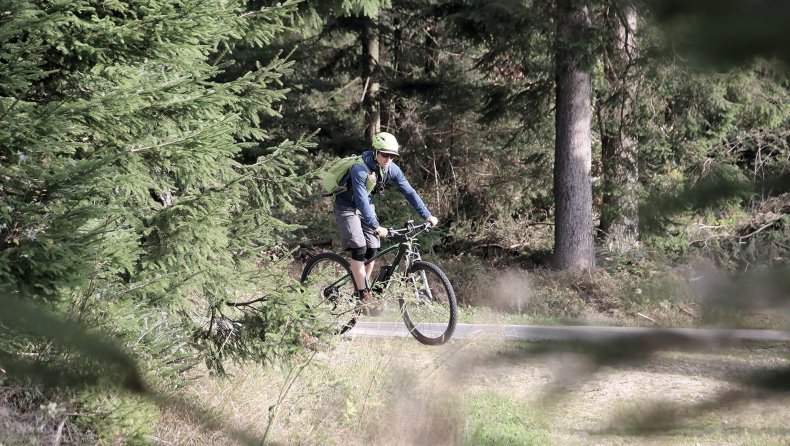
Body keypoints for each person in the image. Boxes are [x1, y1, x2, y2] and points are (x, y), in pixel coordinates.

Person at [332, 131, 439, 314]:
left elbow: (410, 192)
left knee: (372, 249)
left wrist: (427, 215)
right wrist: (375, 226)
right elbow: (361, 201)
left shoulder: (391, 169)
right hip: (347, 207)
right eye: (385, 154)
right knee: (359, 248)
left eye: (392, 155)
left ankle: (360, 289)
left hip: (365, 208)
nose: (388, 158)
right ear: (375, 152)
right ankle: (364, 294)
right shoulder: (359, 169)